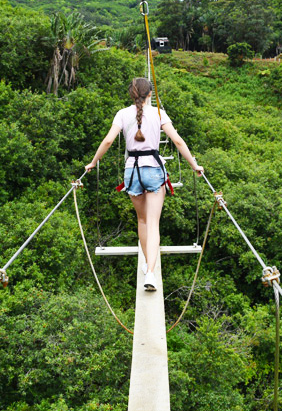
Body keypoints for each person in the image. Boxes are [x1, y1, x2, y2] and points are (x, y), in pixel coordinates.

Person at [85, 78, 203, 291]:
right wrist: (194, 165)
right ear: (150, 94)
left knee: (142, 220)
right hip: (153, 170)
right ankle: (150, 272)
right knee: (153, 222)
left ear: (132, 94)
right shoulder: (158, 113)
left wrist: (93, 163)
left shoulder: (122, 114)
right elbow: (177, 141)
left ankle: (148, 264)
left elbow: (108, 141)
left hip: (132, 171)